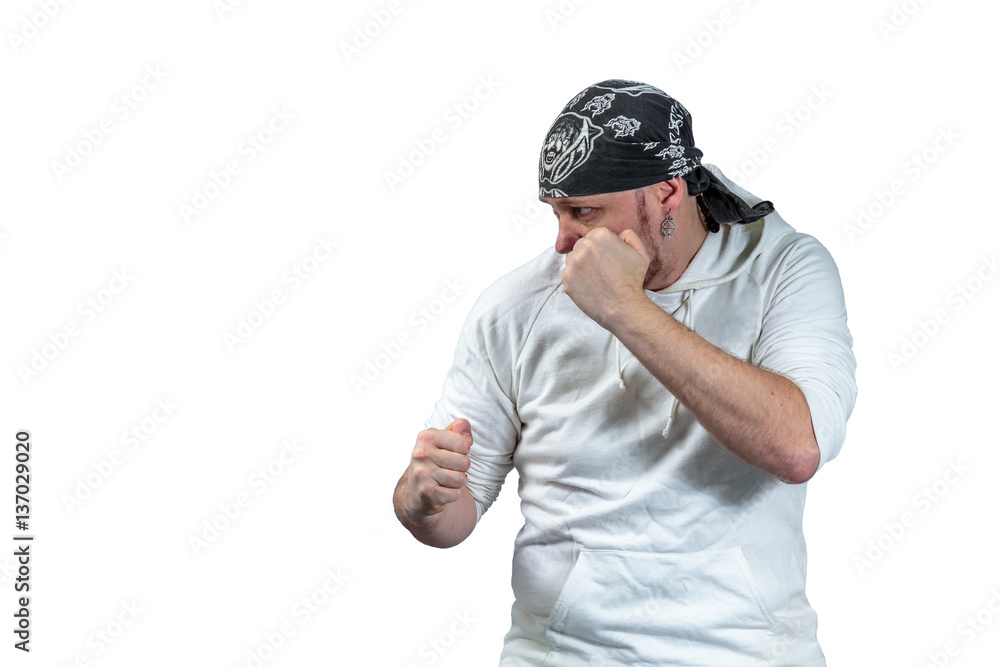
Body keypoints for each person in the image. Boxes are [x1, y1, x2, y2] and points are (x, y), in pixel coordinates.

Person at [392, 79, 857, 665]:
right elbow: (455, 516)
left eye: (583, 212)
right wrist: (423, 499)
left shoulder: (787, 270)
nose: (562, 241)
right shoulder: (516, 305)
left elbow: (797, 447)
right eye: (556, 213)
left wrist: (625, 310)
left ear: (666, 193)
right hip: (560, 652)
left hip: (744, 650)